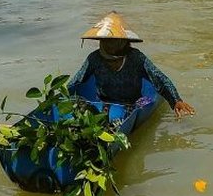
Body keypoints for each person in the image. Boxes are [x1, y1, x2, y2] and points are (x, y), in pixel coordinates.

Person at [68, 11, 196, 118]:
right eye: (105, 40)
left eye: (113, 41)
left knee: (136, 108)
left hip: (132, 104)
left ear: (123, 41)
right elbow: (75, 82)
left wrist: (176, 101)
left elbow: (159, 79)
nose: (108, 44)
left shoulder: (135, 58)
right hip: (105, 104)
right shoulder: (94, 59)